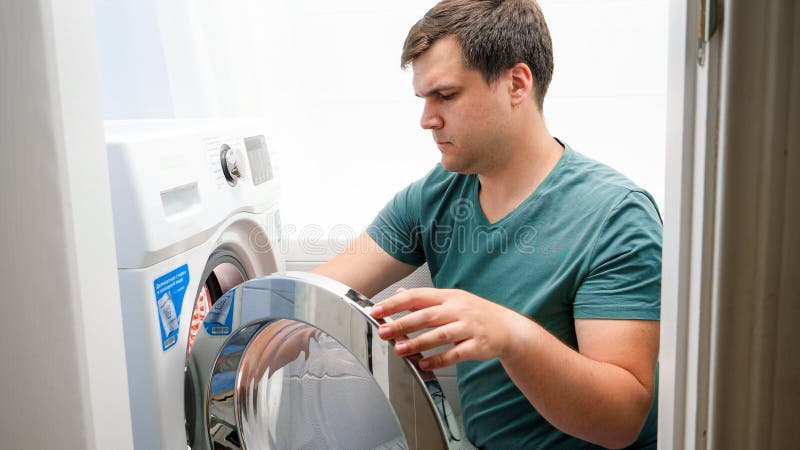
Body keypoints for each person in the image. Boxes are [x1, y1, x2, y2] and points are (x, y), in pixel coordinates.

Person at [314, 0, 662, 448]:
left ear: (516, 84)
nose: (426, 120)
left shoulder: (616, 216)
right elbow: (318, 294)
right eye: (423, 99)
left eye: (446, 95)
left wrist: (510, 334)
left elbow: (621, 420)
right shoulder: (435, 197)